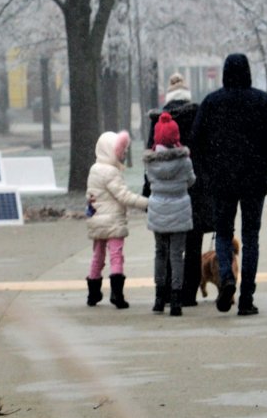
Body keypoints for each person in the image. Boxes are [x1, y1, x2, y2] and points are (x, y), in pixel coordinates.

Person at [191, 52, 267, 316]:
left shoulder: (212, 103)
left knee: (223, 233)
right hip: (253, 180)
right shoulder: (263, 102)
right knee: (251, 237)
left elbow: (196, 140)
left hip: (221, 180)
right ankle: (246, 298)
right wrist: (264, 162)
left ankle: (226, 277)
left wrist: (209, 170)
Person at [146, 71, 208, 305]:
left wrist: (148, 191)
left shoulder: (158, 120)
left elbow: (150, 157)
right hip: (194, 187)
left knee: (164, 247)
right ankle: (188, 293)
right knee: (192, 243)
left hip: (162, 191)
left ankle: (165, 291)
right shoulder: (198, 115)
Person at [85, 129, 150, 308]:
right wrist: (146, 202)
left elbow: (90, 195)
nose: (121, 155)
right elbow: (123, 196)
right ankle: (116, 294)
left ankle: (93, 293)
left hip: (96, 219)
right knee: (116, 256)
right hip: (113, 221)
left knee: (97, 256)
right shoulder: (111, 172)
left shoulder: (94, 169)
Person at [143, 114, 195, 316]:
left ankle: (158, 298)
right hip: (180, 210)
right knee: (177, 255)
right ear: (176, 136)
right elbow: (191, 181)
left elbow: (149, 183)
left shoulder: (151, 163)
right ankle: (176, 300)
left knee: (160, 253)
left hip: (158, 210)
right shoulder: (184, 161)